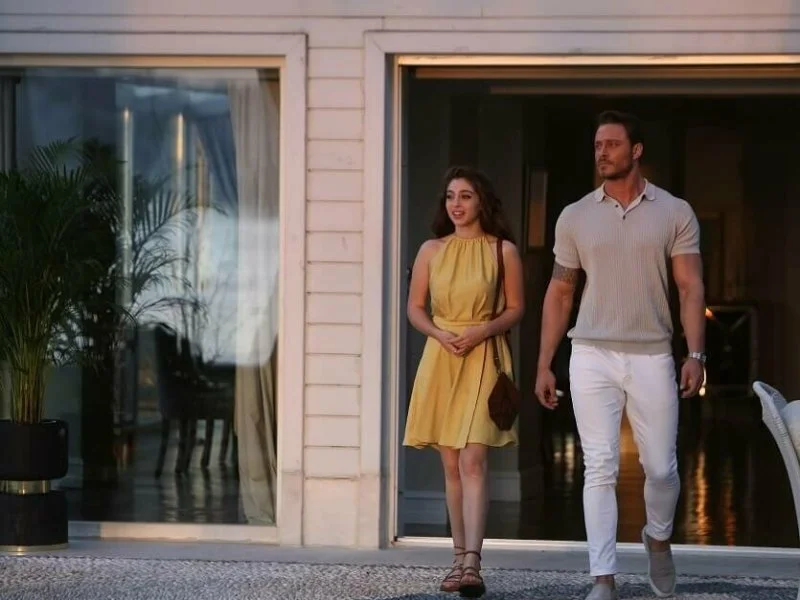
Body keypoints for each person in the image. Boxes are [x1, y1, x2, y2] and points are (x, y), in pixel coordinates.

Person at [534, 110, 706, 600]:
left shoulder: (674, 211)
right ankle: (603, 578)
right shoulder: (575, 216)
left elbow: (690, 287)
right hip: (591, 352)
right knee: (600, 465)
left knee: (661, 469)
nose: (602, 153)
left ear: (636, 150)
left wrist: (696, 354)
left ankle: (658, 538)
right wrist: (545, 362)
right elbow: (560, 292)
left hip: (652, 354)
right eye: (597, 145)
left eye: (611, 144)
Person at [403, 165, 524, 598]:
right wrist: (439, 334)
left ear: (481, 201)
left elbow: (516, 308)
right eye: (451, 196)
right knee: (451, 465)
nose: (456, 204)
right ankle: (457, 558)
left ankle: (473, 561)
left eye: (466, 196)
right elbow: (415, 307)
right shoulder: (431, 250)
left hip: (483, 355)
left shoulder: (502, 251)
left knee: (474, 460)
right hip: (442, 357)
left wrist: (481, 331)